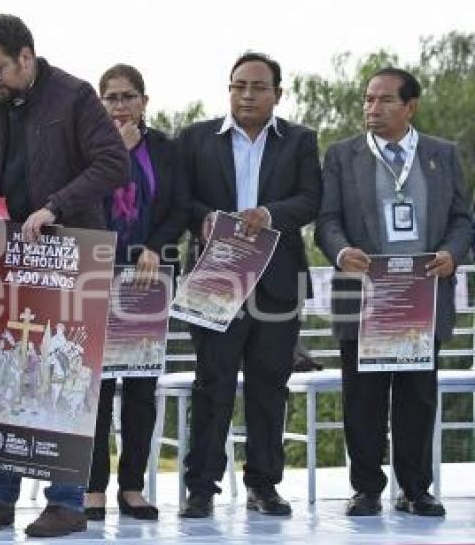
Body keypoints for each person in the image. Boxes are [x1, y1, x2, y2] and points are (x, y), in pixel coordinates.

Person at [0, 14, 129, 538]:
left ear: (26, 57)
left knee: (61, 371)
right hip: (8, 254)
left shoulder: (75, 97)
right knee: (7, 369)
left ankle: (67, 503)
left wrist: (55, 206)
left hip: (71, 254)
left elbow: (112, 164)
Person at [315, 67, 471, 517]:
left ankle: (416, 489)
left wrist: (451, 253)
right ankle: (365, 488)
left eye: (384, 100)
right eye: (368, 99)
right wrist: (342, 252)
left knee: (417, 398)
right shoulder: (343, 155)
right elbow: (327, 220)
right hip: (365, 295)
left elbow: (462, 218)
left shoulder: (443, 153)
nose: (372, 108)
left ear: (410, 107)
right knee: (362, 397)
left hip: (423, 295)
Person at [176, 52, 322, 518]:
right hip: (215, 278)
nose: (247, 94)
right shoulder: (196, 138)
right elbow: (181, 199)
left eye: (258, 87)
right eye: (239, 85)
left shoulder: (299, 140)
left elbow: (311, 199)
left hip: (277, 285)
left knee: (268, 388)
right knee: (212, 386)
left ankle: (264, 485)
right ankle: (200, 488)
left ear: (278, 94)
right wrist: (204, 218)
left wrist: (271, 214)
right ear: (229, 89)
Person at [84, 63, 188, 522]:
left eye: (129, 96)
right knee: (97, 390)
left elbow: (179, 207)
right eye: (111, 97)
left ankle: (132, 487)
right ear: (100, 102)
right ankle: (91, 489)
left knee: (141, 390)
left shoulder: (167, 148)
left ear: (145, 101)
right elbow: (82, 202)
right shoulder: (87, 148)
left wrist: (157, 249)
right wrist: (118, 157)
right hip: (97, 277)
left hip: (148, 281)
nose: (120, 105)